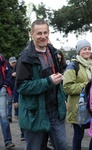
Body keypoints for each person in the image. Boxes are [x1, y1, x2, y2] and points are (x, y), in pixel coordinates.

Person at [16, 19, 68, 150]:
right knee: (35, 147)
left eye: (45, 32)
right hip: (35, 113)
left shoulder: (54, 53)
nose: (43, 36)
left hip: (55, 110)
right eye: (39, 33)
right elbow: (22, 87)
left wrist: (63, 99)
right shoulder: (25, 58)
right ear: (31, 34)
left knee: (62, 146)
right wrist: (48, 81)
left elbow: (57, 81)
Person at [63, 39, 92, 150]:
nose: (87, 51)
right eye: (84, 49)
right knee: (78, 135)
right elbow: (67, 88)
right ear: (79, 51)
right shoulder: (73, 66)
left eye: (89, 49)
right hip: (78, 108)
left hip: (91, 106)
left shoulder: (91, 65)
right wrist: (87, 85)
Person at [0, 54, 15, 148]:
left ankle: (8, 141)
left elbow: (8, 72)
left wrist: (5, 86)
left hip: (1, 90)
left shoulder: (1, 58)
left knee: (4, 116)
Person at [7, 56, 17, 122]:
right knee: (10, 102)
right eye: (12, 62)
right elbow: (6, 77)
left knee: (16, 101)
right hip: (9, 88)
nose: (14, 64)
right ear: (9, 62)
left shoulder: (17, 68)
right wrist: (12, 75)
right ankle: (9, 116)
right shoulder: (7, 69)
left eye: (14, 62)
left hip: (16, 87)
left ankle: (16, 114)